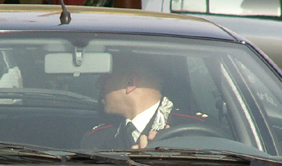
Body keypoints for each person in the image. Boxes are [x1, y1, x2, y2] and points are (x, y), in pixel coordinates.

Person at [81, 55, 209, 151]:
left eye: (105, 76)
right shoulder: (96, 140)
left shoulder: (198, 134)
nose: (98, 85)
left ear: (131, 82)